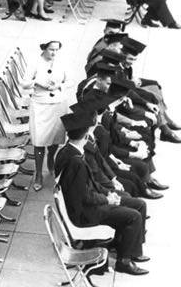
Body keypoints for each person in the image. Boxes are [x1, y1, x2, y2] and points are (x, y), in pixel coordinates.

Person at [55, 111, 149, 276]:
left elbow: (91, 186)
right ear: (86, 136)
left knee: (138, 204)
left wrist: (109, 193)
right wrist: (107, 199)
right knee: (133, 216)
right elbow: (84, 197)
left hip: (86, 204)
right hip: (85, 214)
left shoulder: (67, 152)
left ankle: (128, 248)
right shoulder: (76, 162)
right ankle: (124, 262)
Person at [20, 41, 68, 191]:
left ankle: (51, 162)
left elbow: (70, 80)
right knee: (39, 141)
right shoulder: (35, 62)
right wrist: (37, 82)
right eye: (51, 49)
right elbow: (24, 83)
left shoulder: (62, 62)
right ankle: (39, 174)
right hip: (40, 105)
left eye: (56, 50)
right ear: (44, 48)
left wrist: (58, 85)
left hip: (57, 104)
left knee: (55, 138)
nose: (54, 53)